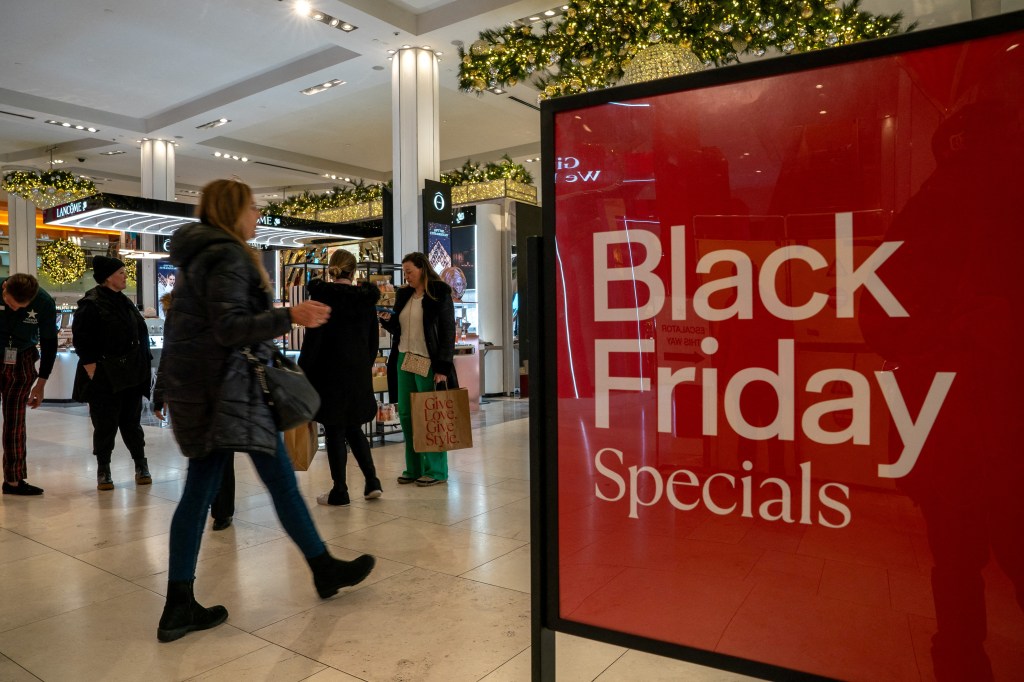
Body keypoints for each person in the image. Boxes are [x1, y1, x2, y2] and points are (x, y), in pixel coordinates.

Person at [156, 178, 375, 642]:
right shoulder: (228, 256)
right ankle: (182, 603)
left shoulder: (198, 257)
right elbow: (231, 328)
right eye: (253, 208)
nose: (258, 216)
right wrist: (290, 317)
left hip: (211, 390)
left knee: (230, 487)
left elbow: (195, 329)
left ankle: (319, 568)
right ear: (234, 210)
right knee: (238, 487)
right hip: (226, 393)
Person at [298, 249, 382, 506]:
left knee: (335, 428)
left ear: (332, 269)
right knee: (354, 426)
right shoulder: (365, 301)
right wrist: (361, 365)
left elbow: (313, 342)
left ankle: (340, 490)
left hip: (330, 374)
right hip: (357, 374)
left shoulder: (323, 299)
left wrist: (303, 372)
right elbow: (373, 342)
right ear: (353, 271)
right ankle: (372, 481)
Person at [152, 291, 234, 531]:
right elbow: (169, 356)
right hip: (198, 394)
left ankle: (220, 509)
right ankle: (216, 508)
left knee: (214, 455)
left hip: (208, 393)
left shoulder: (215, 305)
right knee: (208, 456)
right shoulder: (188, 310)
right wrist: (160, 395)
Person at [72, 256, 154, 490]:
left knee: (132, 423)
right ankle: (103, 469)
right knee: (105, 424)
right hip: (105, 375)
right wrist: (91, 368)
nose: (126, 276)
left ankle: (141, 465)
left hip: (130, 374)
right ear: (108, 277)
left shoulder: (125, 302)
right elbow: (82, 338)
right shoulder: (91, 303)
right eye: (121, 272)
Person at [378, 251, 458, 487]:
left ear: (422, 268)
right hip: (404, 358)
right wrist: (386, 319)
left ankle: (437, 470)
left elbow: (447, 332)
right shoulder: (404, 295)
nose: (407, 277)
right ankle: (414, 468)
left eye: (410, 272)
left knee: (430, 415)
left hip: (427, 361)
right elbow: (399, 328)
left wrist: (443, 367)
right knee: (406, 414)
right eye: (405, 273)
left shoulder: (439, 293)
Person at [0, 274, 56, 496]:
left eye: (21, 307)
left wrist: (41, 384)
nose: (14, 310)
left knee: (15, 422)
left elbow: (50, 343)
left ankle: (13, 481)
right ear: (5, 288)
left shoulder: (44, 302)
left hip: (22, 359)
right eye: (10, 303)